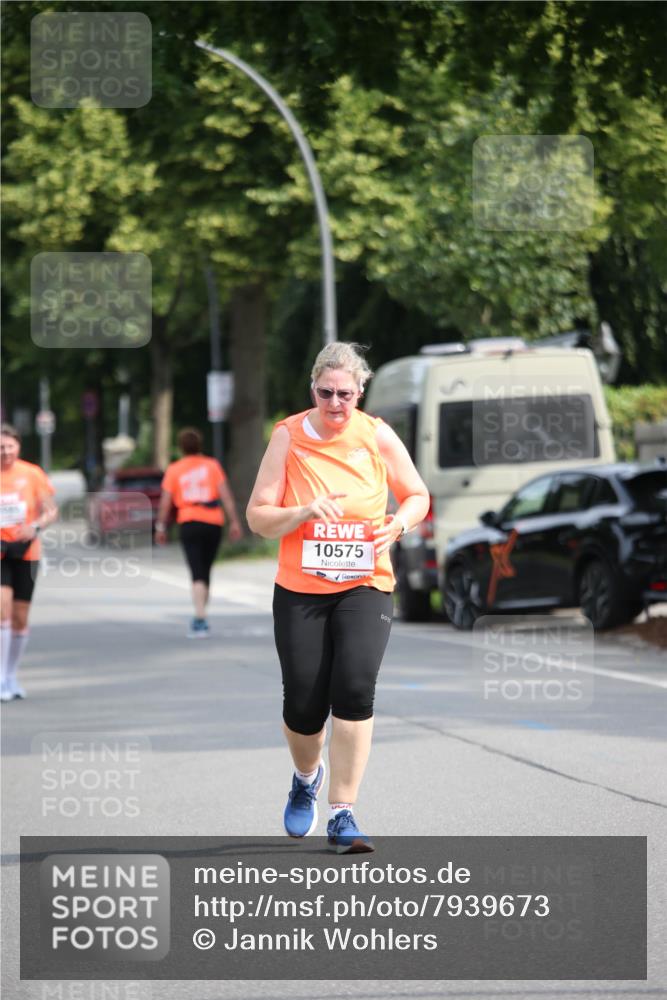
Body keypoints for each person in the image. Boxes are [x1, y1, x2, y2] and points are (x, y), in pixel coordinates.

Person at [247, 343, 429, 853]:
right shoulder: (287, 436)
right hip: (301, 588)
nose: (335, 404)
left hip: (365, 581)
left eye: (345, 394)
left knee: (354, 688)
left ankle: (343, 812)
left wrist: (398, 523)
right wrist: (302, 512)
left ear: (360, 392)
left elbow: (417, 495)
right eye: (325, 393)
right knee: (304, 705)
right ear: (313, 391)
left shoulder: (375, 435)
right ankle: (306, 775)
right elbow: (258, 517)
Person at [155, 428, 243, 637]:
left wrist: (160, 527)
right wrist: (235, 522)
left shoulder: (175, 469)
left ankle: (200, 617)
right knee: (206, 569)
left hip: (189, 521)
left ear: (181, 447)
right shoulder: (212, 466)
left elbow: (166, 502)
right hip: (213, 521)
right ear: (199, 445)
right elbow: (226, 496)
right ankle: (201, 612)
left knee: (197, 571)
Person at [1, 424, 58, 702]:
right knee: (2, 608)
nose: (5, 452)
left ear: (18, 447)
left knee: (20, 617)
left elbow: (51, 510)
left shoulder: (32, 474)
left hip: (27, 550)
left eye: (9, 446)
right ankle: (0, 678)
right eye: (0, 447)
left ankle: (11, 675)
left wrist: (35, 526)